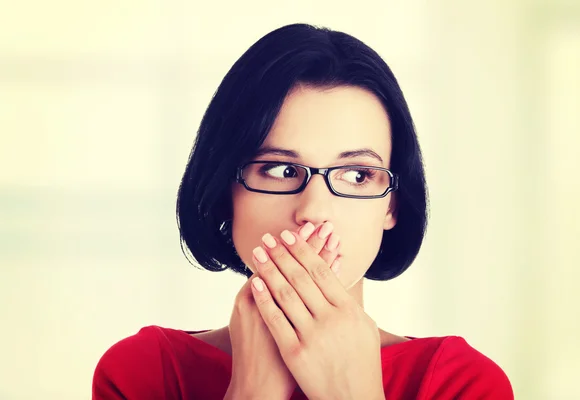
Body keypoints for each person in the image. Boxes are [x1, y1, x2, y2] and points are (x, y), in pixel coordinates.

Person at [92, 23, 514, 399]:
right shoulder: (145, 375)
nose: (313, 210)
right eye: (280, 169)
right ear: (226, 191)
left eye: (357, 175)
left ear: (393, 204)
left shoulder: (461, 384)